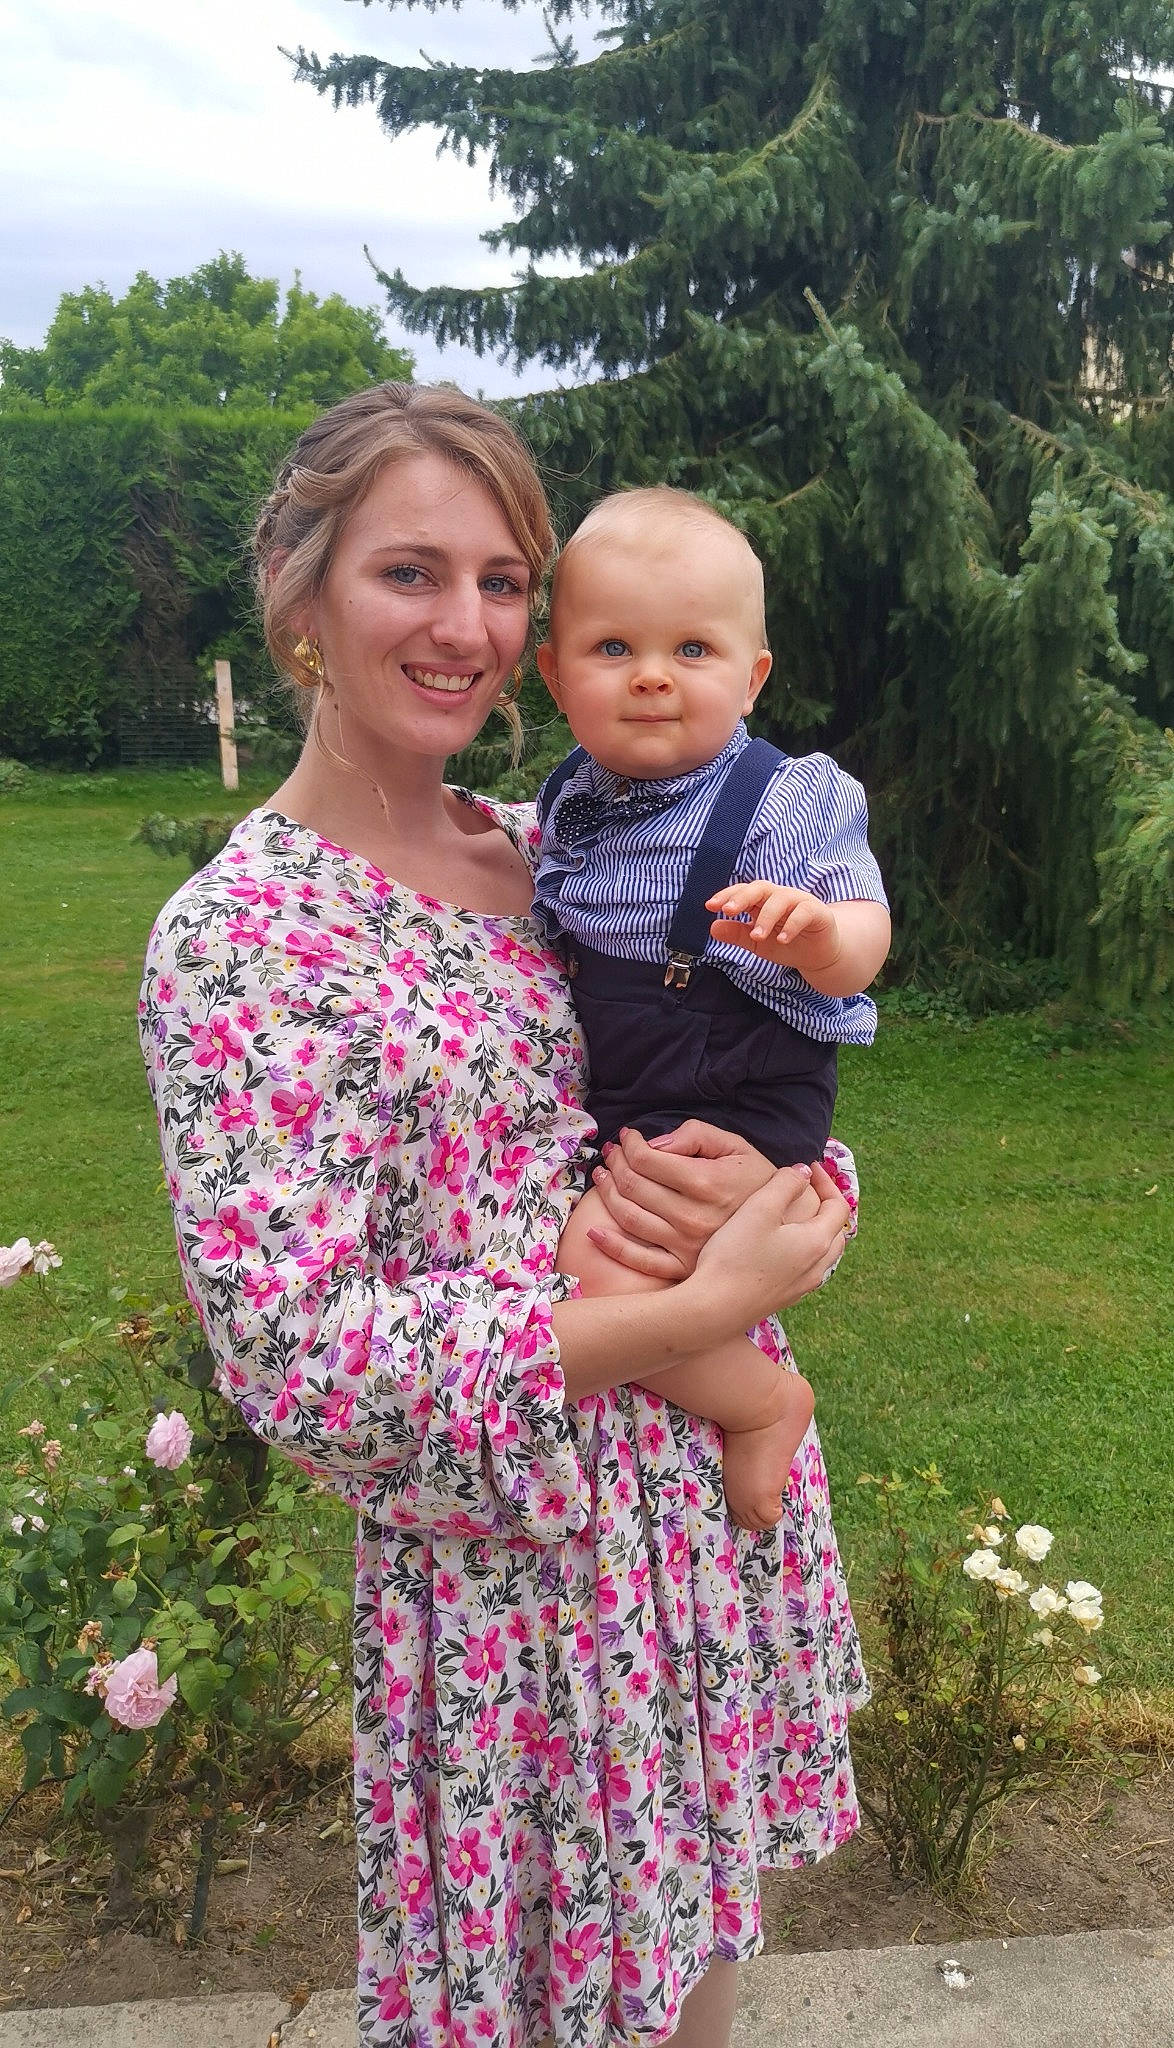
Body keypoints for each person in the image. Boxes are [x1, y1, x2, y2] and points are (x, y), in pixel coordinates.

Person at [138, 384, 864, 2048]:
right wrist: (694, 1319)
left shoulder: (561, 848)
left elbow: (758, 1056)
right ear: (303, 599)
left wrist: (784, 1193)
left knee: (693, 1979)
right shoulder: (243, 935)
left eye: (501, 578)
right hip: (516, 1591)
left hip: (697, 1528)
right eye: (409, 571)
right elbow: (299, 1353)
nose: (463, 624)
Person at [535, 488, 890, 1530]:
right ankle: (736, 1375)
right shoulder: (570, 800)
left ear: (752, 674)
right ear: (555, 676)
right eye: (611, 646)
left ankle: (764, 1402)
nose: (651, 674)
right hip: (642, 1086)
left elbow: (865, 929)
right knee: (620, 1252)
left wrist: (822, 939)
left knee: (597, 1265)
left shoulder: (785, 802)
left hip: (740, 1084)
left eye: (693, 647)